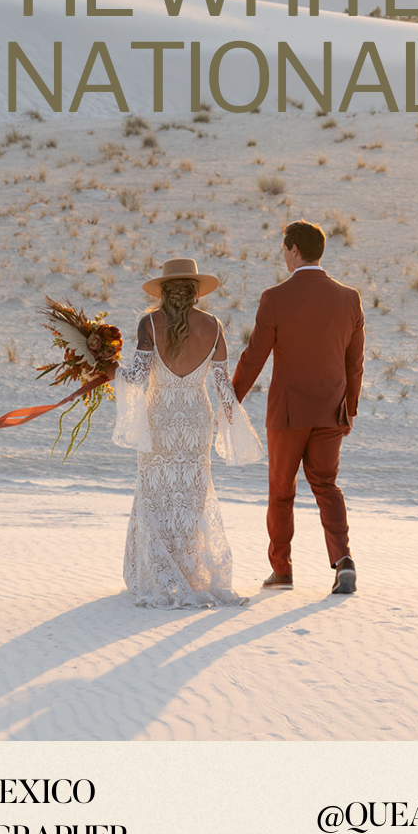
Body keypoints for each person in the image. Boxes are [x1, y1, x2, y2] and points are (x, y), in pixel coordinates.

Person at [100, 258, 262, 608]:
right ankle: (189, 572)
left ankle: (159, 573)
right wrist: (230, 426)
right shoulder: (214, 326)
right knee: (191, 496)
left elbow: (137, 378)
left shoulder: (150, 323)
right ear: (195, 292)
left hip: (160, 418)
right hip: (195, 420)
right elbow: (223, 387)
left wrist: (105, 367)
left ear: (163, 291)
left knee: (156, 494)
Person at [233, 219, 364, 595]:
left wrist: (232, 400)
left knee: (281, 490)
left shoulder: (275, 298)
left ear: (293, 250)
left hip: (288, 413)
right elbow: (355, 362)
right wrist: (349, 409)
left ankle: (282, 570)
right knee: (326, 485)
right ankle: (343, 562)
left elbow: (254, 356)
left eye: (283, 250)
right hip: (331, 411)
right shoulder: (349, 298)